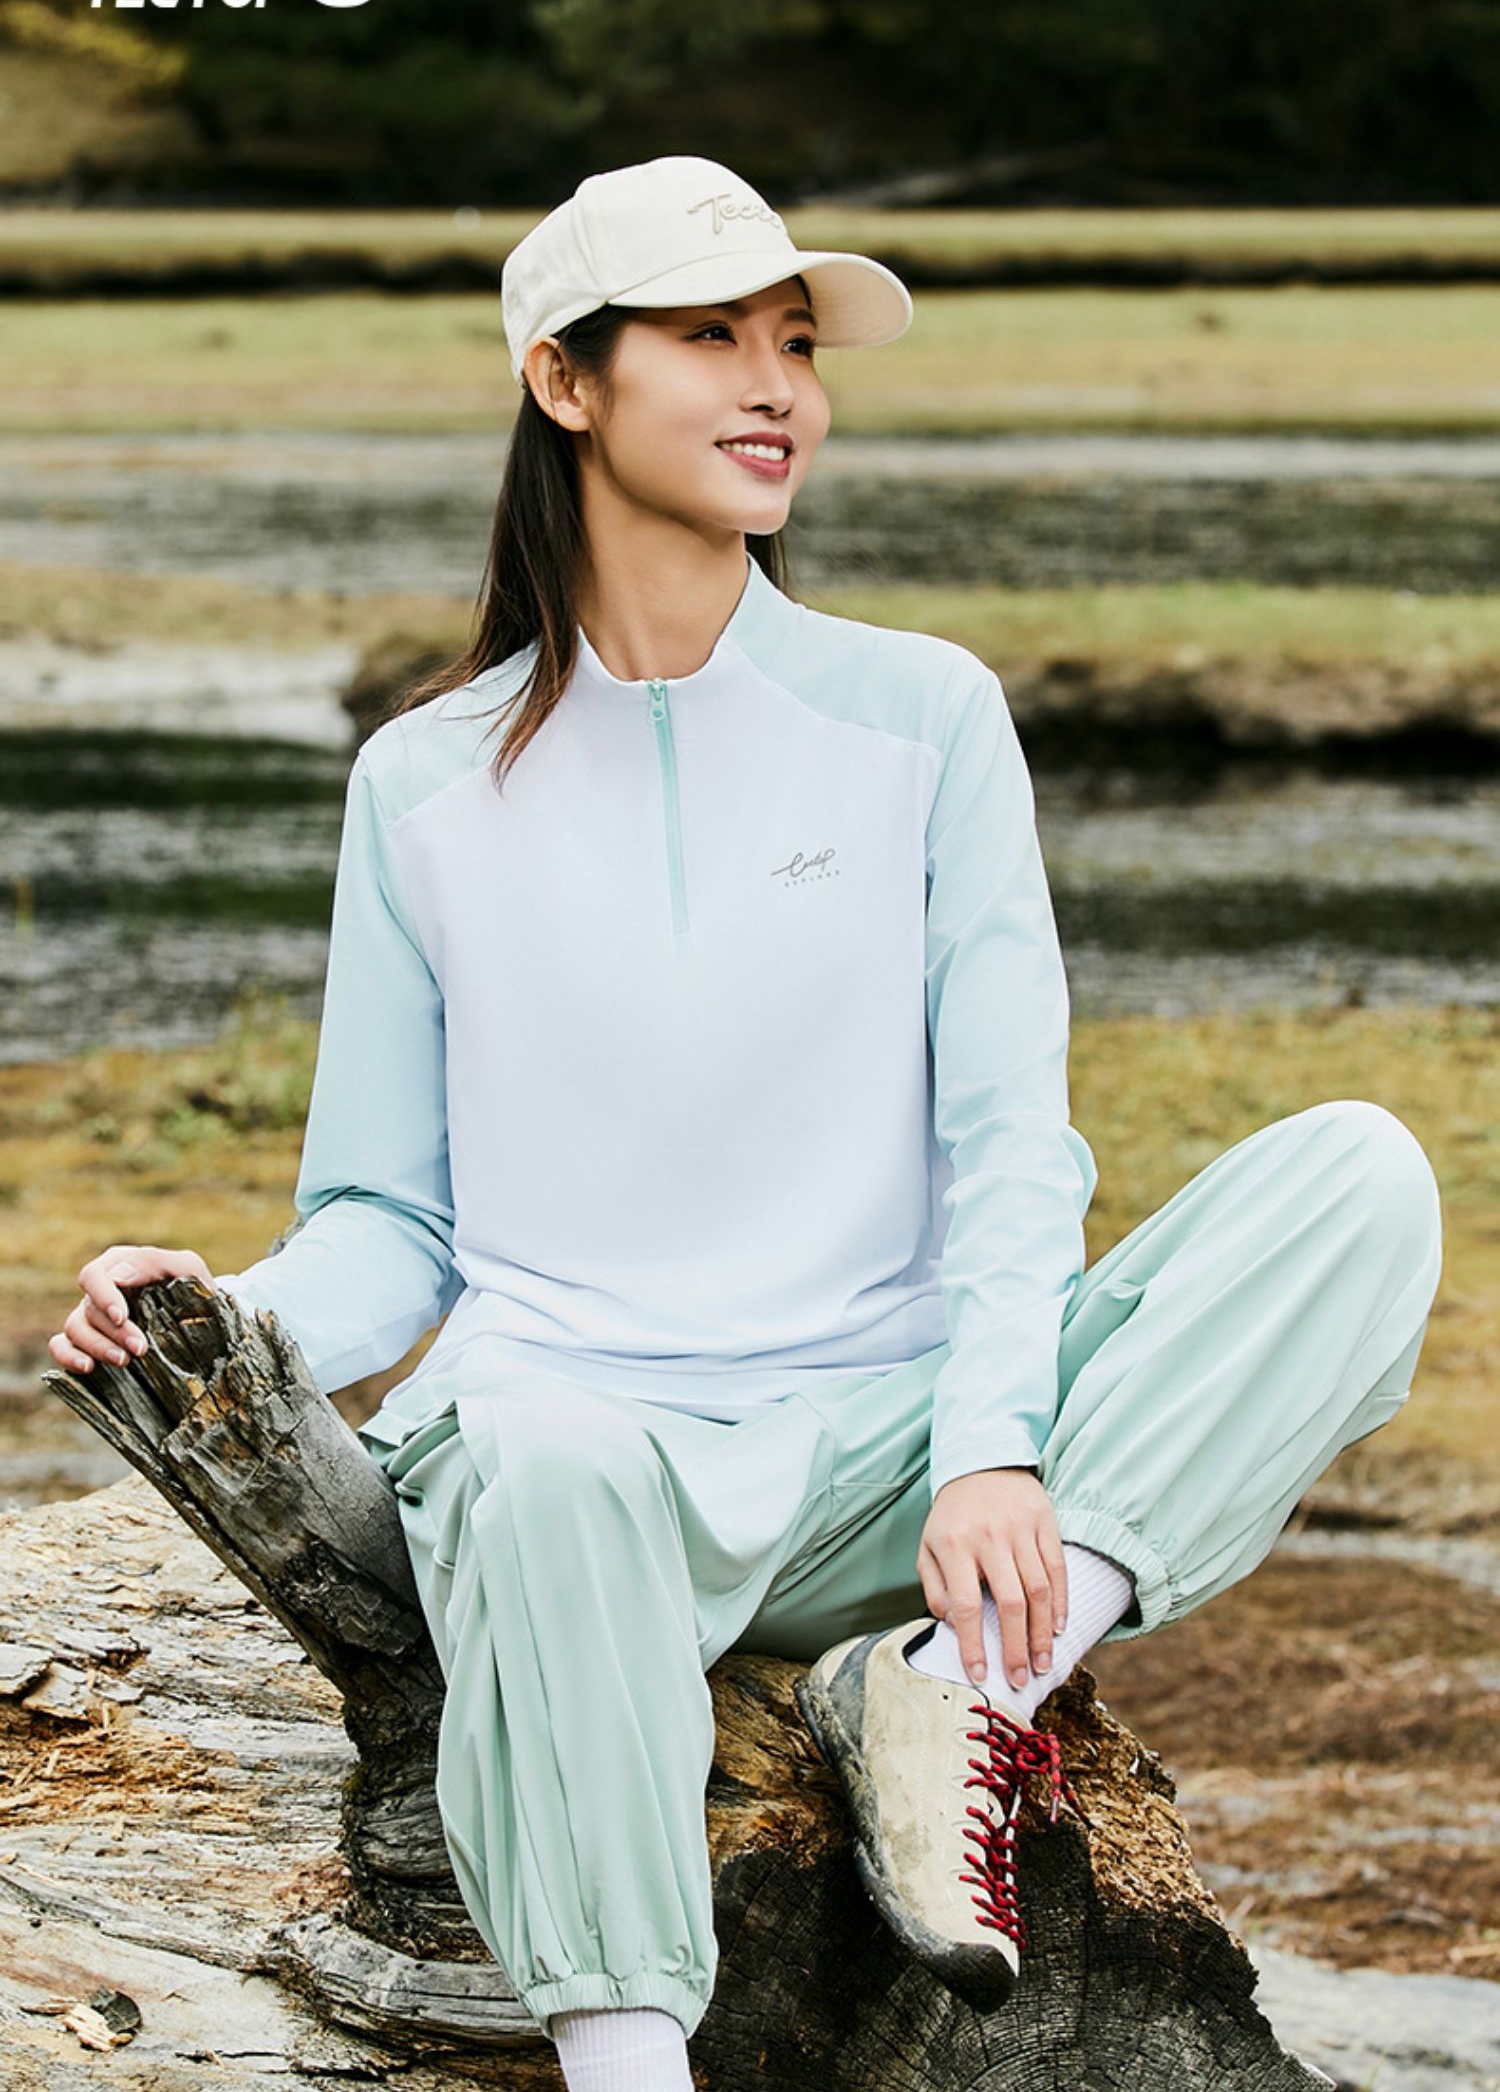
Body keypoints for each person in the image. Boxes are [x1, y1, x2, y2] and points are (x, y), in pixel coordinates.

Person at [54, 155, 1444, 2092]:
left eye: (795, 342)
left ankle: (961, 1686)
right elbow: (393, 1219)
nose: (778, 382)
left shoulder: (925, 717)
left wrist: (991, 1444)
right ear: (565, 380)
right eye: (713, 336)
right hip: (585, 1472)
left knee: (1361, 1181)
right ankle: (631, 2063)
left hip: (887, 1459)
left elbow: (1012, 1152)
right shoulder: (421, 787)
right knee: (533, 1458)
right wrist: (221, 1312)